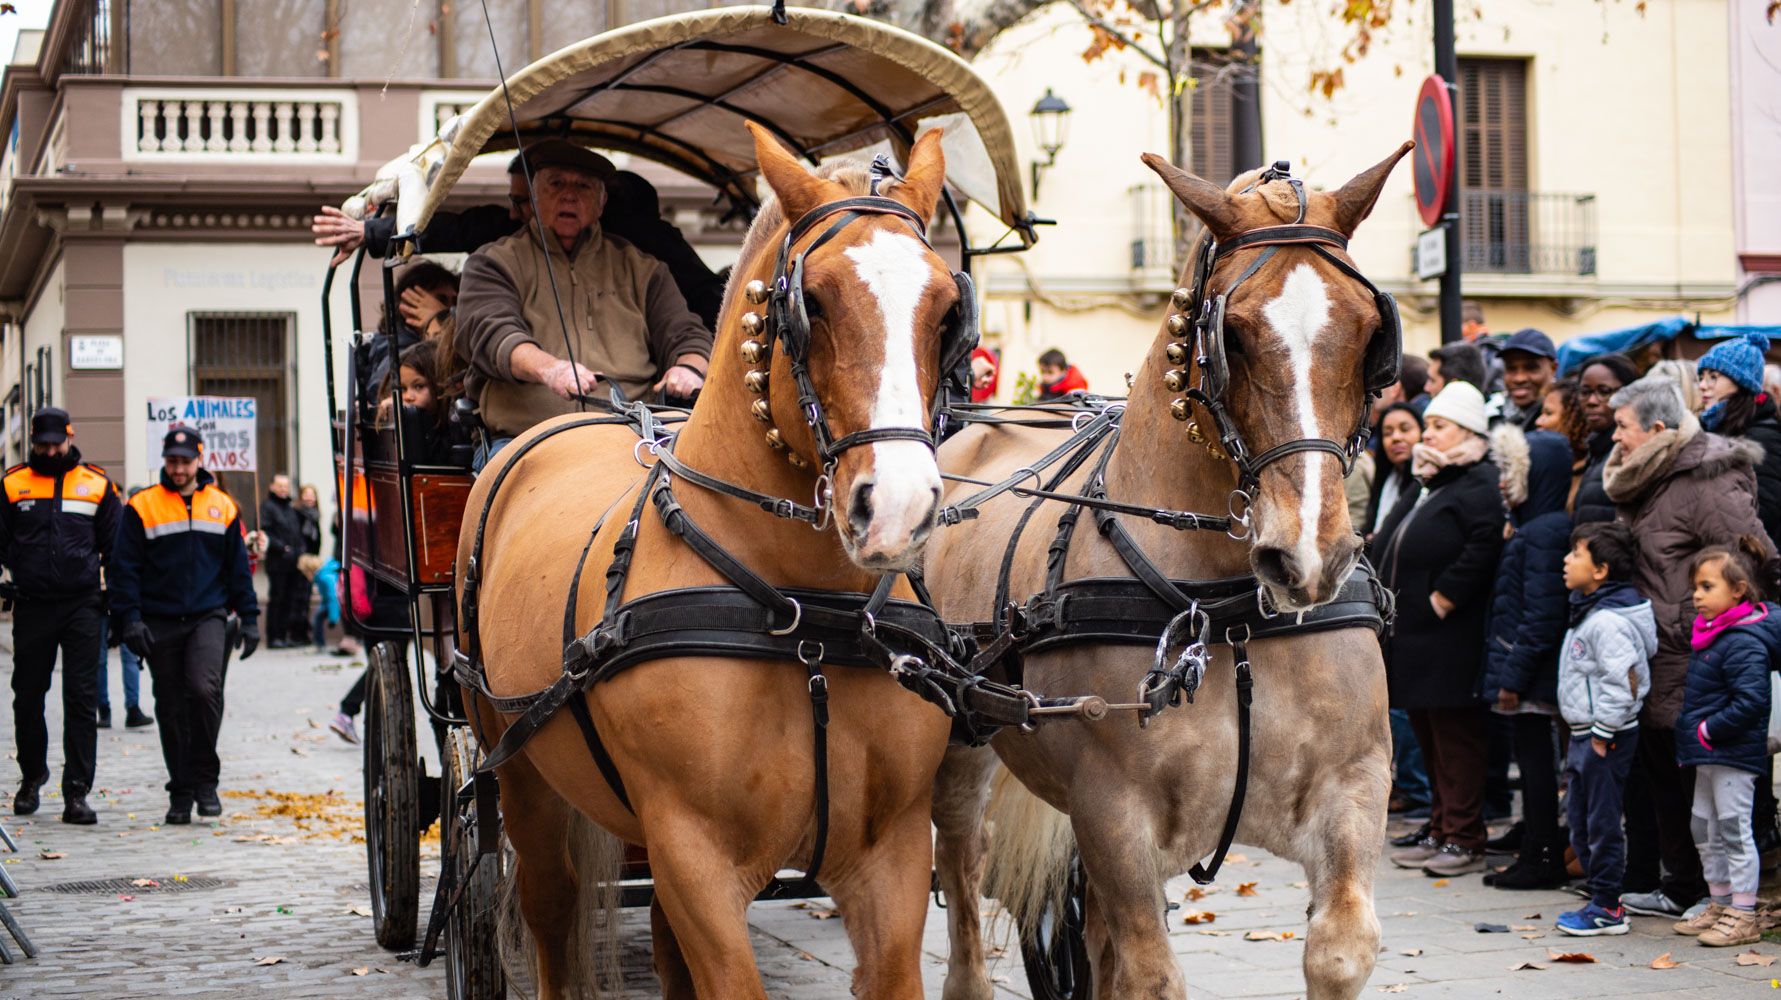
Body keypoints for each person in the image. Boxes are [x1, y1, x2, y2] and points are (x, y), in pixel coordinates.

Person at [1601, 376, 1771, 920]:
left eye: (1622, 428)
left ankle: (1716, 895)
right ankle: (1683, 888)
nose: (1615, 440)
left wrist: (1685, 621)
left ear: (1655, 430)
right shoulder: (1651, 475)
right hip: (1659, 649)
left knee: (1693, 778)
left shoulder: (1708, 475)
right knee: (1663, 773)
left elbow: (1747, 561)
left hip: (1694, 652)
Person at [456, 140, 711, 464]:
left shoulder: (643, 268)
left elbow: (687, 333)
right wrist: (551, 369)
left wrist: (688, 368)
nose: (569, 195)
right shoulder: (494, 262)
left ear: (601, 204)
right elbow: (493, 334)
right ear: (533, 198)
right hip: (527, 438)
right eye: (556, 183)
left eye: (583, 186)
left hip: (631, 434)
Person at [1373, 381, 1505, 876]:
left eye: (1439, 426)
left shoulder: (1478, 481)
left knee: (1457, 742)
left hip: (1450, 638)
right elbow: (1393, 535)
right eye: (1429, 424)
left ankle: (1465, 837)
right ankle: (1441, 825)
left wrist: (1442, 598)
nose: (1429, 433)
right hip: (1416, 637)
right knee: (1430, 737)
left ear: (1468, 430)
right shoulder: (1435, 480)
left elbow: (1484, 543)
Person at [111, 427, 260, 825]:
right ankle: (180, 790)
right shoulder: (142, 506)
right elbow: (124, 569)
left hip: (208, 616)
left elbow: (237, 571)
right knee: (171, 705)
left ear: (199, 460)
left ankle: (205, 781)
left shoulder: (223, 506)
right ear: (165, 460)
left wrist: (250, 619)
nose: (178, 469)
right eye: (172, 461)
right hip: (159, 620)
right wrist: (129, 620)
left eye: (185, 462)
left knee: (204, 688)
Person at [0, 407, 121, 824]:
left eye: (57, 443)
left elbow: (116, 548)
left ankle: (77, 792)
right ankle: (32, 777)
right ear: (33, 442)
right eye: (42, 444)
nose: (50, 451)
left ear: (70, 438)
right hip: (32, 603)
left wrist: (116, 602)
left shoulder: (97, 485)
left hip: (83, 604)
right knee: (28, 696)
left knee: (81, 699)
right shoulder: (13, 484)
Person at [1693, 331, 1781, 874]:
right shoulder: (1717, 433)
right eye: (1701, 376)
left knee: (1751, 721)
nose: (1703, 386)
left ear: (1741, 386)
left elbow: (1760, 531)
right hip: (1727, 594)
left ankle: (1759, 840)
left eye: (1714, 377)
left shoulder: (1762, 440)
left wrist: (1740, 591)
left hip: (1748, 599)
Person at [1480, 425, 1574, 889]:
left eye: (1511, 472)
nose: (1502, 482)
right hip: (1528, 673)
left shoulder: (1543, 533)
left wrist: (1512, 678)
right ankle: (1535, 852)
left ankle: (1542, 859)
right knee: (1534, 763)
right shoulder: (1535, 528)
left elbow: (1541, 617)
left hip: (1532, 678)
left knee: (1538, 769)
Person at [1668, 543, 1775, 946]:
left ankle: (1744, 912)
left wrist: (1708, 731)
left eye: (1706, 586)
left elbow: (1751, 701)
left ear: (1739, 590)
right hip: (1707, 754)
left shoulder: (1744, 640)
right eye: (1695, 586)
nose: (1696, 595)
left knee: (1732, 829)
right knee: (1703, 826)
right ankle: (1720, 901)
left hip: (1730, 752)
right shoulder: (1709, 635)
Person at [1553, 521, 1656, 936]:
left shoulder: (1608, 622)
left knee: (1601, 821)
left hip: (1602, 738)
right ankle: (1600, 895)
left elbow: (1626, 683)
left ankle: (1608, 905)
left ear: (1601, 570)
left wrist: (1603, 732)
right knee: (1580, 819)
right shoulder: (1590, 612)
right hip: (1585, 734)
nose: (1566, 560)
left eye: (1576, 554)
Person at [1569, 353, 1641, 525]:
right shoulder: (1595, 451)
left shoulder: (1629, 451)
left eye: (1604, 392)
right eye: (1585, 392)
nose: (1592, 401)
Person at [258, 473, 304, 649]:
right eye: (280, 485)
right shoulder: (268, 507)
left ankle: (284, 635)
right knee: (277, 598)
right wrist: (282, 547)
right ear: (272, 487)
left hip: (293, 562)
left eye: (286, 486)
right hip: (278, 562)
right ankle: (274, 637)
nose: (284, 489)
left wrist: (299, 549)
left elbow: (297, 532)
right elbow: (266, 531)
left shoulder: (291, 508)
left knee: (290, 599)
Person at [1495, 329, 1558, 430]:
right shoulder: (1497, 416)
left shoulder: (1564, 421)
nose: (1519, 378)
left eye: (1531, 368)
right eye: (1511, 368)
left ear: (1553, 368)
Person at [297, 554, 342, 655]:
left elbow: (333, 596)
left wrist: (333, 618)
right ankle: (318, 644)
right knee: (317, 618)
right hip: (330, 603)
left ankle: (319, 645)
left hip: (336, 603)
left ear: (310, 570)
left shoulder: (324, 577)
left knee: (317, 618)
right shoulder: (321, 575)